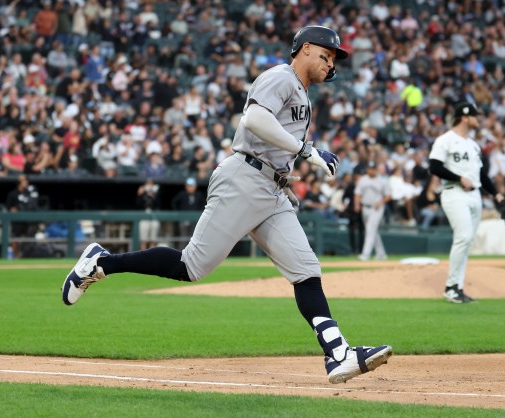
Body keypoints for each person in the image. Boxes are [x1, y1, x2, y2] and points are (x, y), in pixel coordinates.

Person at [61, 26, 392, 384]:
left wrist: (283, 176)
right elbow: (253, 119)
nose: (330, 63)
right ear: (306, 49)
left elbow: (274, 138)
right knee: (191, 267)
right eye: (326, 55)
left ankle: (338, 353)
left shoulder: (301, 93)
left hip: (270, 189)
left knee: (306, 270)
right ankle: (101, 263)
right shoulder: (281, 77)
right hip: (244, 179)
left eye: (333, 59)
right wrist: (307, 151)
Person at [429, 102, 504, 303]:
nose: (478, 119)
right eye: (475, 116)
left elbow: (481, 174)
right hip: (454, 192)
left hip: (475, 195)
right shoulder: (445, 140)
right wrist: (457, 177)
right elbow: (434, 167)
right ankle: (451, 287)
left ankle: (458, 287)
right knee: (463, 236)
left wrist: (497, 195)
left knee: (467, 241)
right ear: (464, 117)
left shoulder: (473, 145)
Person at [353, 161, 391, 261]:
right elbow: (357, 193)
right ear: (367, 169)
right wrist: (357, 204)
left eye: (373, 168)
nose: (371, 170)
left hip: (376, 208)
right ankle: (381, 254)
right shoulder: (362, 180)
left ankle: (365, 254)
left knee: (370, 229)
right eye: (370, 168)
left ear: (376, 170)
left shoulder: (382, 181)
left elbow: (388, 195)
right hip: (365, 207)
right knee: (373, 231)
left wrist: (381, 202)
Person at [6, 174, 40, 258]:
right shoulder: (13, 194)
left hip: (28, 220)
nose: (26, 182)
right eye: (24, 181)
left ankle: (26, 255)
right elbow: (8, 207)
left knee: (29, 237)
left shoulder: (29, 193)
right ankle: (16, 256)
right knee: (15, 237)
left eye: (27, 180)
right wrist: (12, 209)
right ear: (19, 182)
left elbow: (34, 205)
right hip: (17, 221)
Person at [136, 178, 161, 250]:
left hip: (154, 216)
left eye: (151, 183)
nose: (149, 185)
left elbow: (159, 206)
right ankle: (143, 255)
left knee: (153, 238)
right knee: (143, 239)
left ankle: (151, 255)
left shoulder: (156, 193)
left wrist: (154, 196)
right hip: (143, 216)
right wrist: (139, 195)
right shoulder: (142, 193)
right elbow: (138, 206)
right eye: (148, 183)